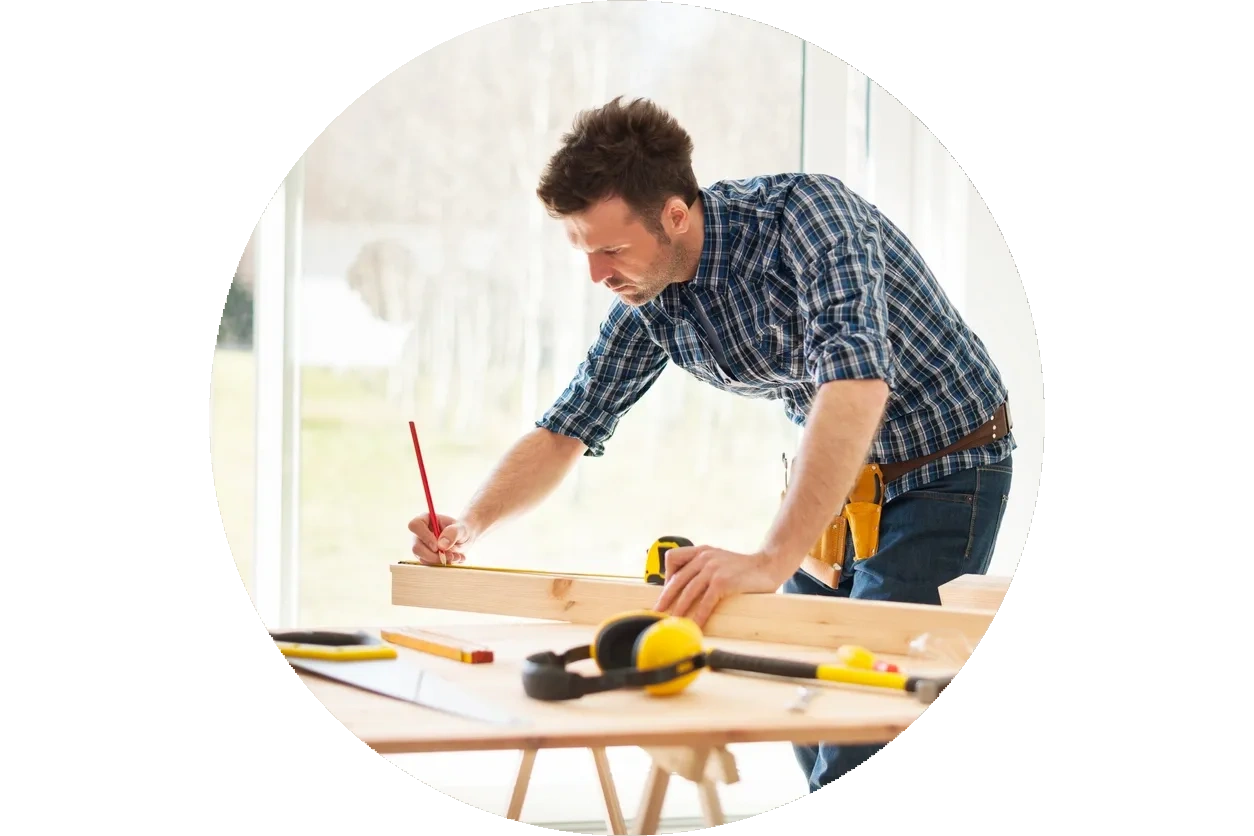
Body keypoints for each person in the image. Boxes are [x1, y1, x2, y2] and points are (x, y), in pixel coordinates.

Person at [407, 95, 1015, 793]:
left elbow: (857, 384)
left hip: (943, 466)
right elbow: (567, 425)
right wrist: (468, 525)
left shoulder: (808, 220)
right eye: (584, 252)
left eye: (610, 249)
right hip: (843, 485)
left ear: (674, 214)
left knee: (862, 723)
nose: (597, 275)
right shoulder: (651, 292)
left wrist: (766, 559)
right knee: (804, 707)